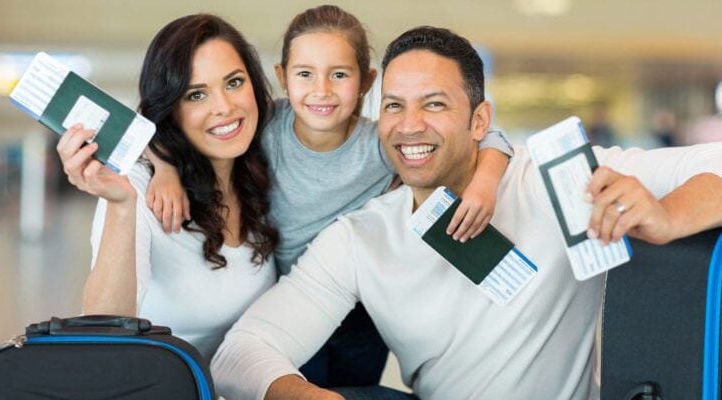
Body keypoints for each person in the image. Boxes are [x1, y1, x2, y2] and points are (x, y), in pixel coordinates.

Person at [210, 26, 722, 400]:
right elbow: (241, 354)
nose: (410, 126)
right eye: (394, 107)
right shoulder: (360, 237)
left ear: (481, 121)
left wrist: (666, 216)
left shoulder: (560, 180)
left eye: (435, 105)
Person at [146, 5, 513, 387]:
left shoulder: (383, 143)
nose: (321, 91)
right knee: (288, 380)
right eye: (305, 74)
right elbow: (153, 127)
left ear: (367, 81)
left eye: (339, 75)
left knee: (356, 388)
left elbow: (488, 135)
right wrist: (166, 169)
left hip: (361, 309)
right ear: (282, 77)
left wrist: (485, 181)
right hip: (290, 299)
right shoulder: (264, 126)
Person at [55, 14, 279, 360]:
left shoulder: (265, 163)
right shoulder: (139, 188)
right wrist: (121, 204)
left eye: (234, 83)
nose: (224, 107)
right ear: (170, 109)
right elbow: (102, 332)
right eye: (196, 95)